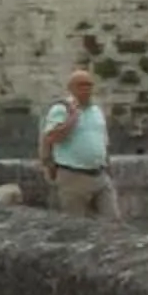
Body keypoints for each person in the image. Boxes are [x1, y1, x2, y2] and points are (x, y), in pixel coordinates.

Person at [38, 66, 120, 219]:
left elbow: (103, 141)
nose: (86, 89)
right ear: (71, 88)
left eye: (89, 85)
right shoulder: (61, 109)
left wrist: (108, 168)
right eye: (81, 85)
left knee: (113, 221)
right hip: (73, 177)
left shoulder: (96, 111)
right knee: (76, 224)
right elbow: (52, 137)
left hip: (100, 175)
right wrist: (72, 119)